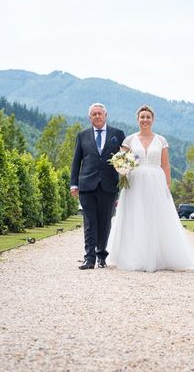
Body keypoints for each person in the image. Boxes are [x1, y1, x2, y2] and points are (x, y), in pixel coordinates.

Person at [106, 105, 194, 272]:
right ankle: (135, 256)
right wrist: (121, 171)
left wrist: (167, 185)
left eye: (148, 117)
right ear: (137, 119)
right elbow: (121, 161)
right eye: (142, 117)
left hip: (156, 181)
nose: (145, 120)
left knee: (157, 216)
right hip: (134, 182)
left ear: (153, 119)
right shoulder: (129, 140)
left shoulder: (161, 140)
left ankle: (159, 257)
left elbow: (165, 164)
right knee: (135, 216)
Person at [70, 103, 125, 270]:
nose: (97, 116)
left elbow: (125, 159)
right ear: (89, 117)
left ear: (105, 115)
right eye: (93, 114)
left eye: (99, 113)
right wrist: (74, 184)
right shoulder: (82, 136)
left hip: (109, 185)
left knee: (105, 222)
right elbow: (76, 161)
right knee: (89, 222)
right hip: (87, 185)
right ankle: (89, 258)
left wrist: (124, 177)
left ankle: (102, 255)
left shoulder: (118, 134)